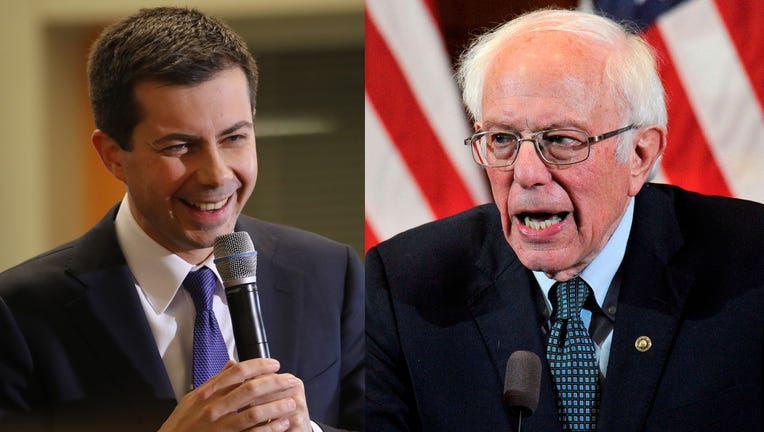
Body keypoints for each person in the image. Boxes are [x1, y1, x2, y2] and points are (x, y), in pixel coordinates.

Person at [365, 8, 763, 432]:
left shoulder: (751, 264)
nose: (527, 173)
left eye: (561, 140)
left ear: (640, 156)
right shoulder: (404, 288)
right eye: (501, 139)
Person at [0, 7, 363, 432]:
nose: (216, 175)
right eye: (179, 146)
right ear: (113, 155)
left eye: (234, 138)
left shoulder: (330, 272)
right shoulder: (18, 313)